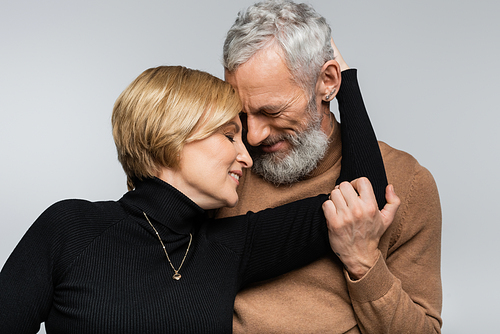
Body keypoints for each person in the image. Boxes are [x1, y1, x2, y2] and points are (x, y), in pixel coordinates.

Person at [0, 66, 398, 333]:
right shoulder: (70, 228)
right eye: (229, 136)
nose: (246, 155)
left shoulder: (232, 246)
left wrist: (344, 80)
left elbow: (362, 197)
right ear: (169, 138)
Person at [218, 0, 442, 333]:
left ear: (327, 82)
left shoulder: (407, 183)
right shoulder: (219, 171)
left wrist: (363, 262)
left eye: (272, 111)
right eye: (243, 113)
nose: (253, 134)